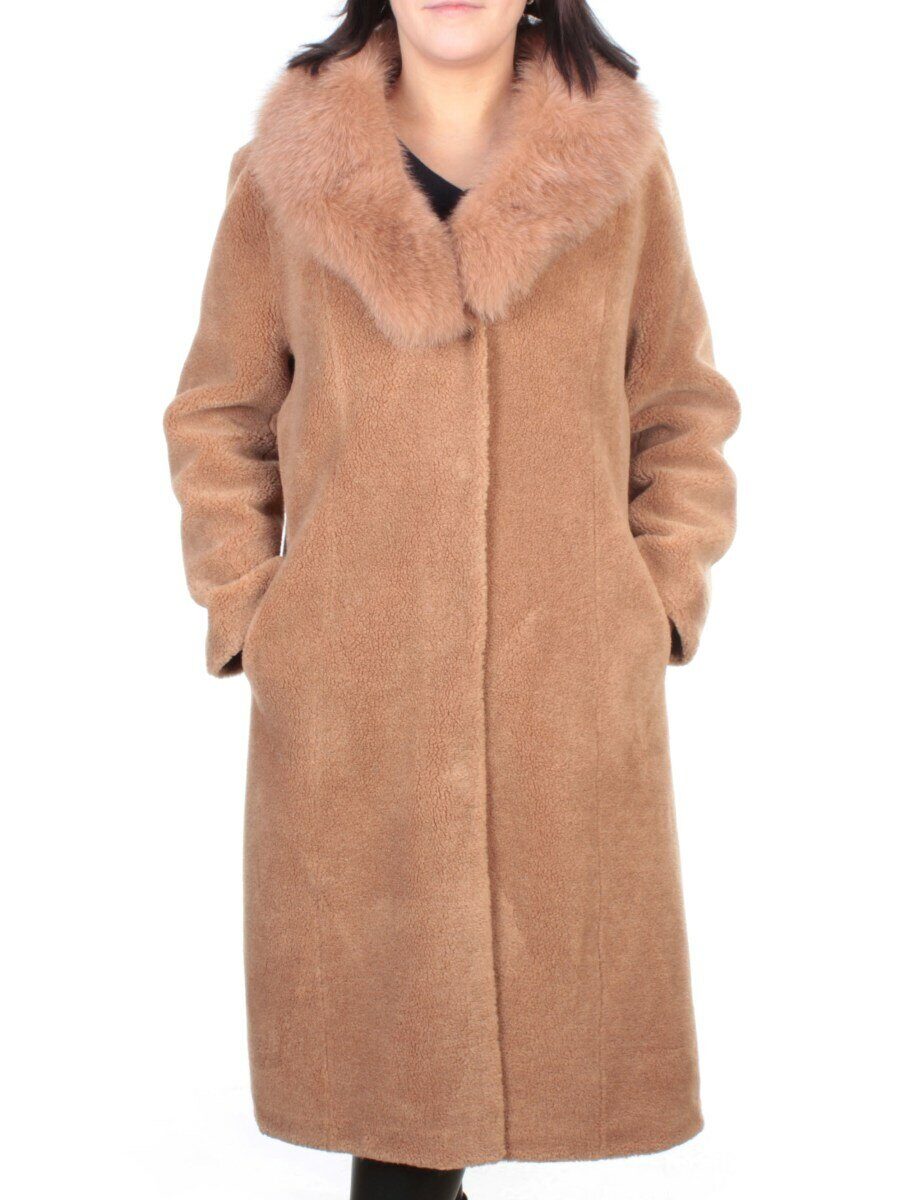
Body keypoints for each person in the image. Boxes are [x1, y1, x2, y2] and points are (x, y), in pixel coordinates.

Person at [164, 2, 740, 1196]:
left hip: (565, 696)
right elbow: (220, 414)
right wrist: (256, 615)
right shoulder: (283, 178)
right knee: (394, 1119)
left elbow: (681, 409)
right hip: (355, 712)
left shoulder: (624, 175)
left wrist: (655, 600)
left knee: (558, 1047)